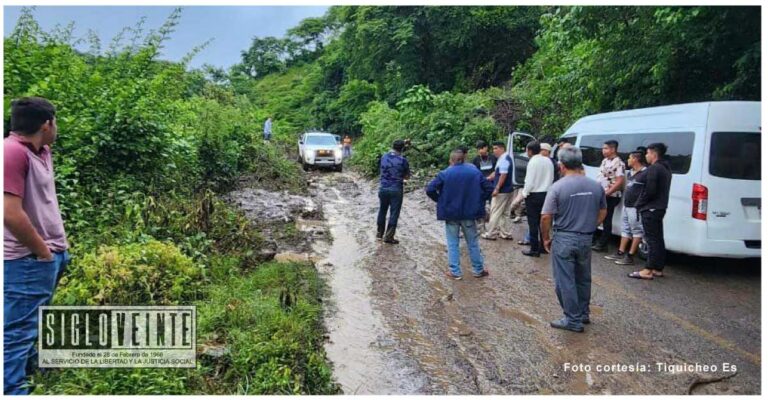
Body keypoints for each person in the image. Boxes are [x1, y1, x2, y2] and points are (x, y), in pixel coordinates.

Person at [4, 97, 71, 395]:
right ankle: (12, 388)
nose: (57, 128)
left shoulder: (41, 151)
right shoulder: (11, 153)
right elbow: (9, 213)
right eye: (55, 122)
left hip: (49, 255)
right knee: (16, 330)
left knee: (33, 317)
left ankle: (30, 366)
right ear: (47, 124)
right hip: (27, 259)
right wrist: (42, 252)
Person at [541, 147, 607, 332]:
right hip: (586, 238)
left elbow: (546, 216)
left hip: (564, 238)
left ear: (561, 165)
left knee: (565, 280)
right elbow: (603, 211)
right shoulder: (595, 186)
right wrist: (591, 225)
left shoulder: (557, 187)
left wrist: (545, 238)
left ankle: (572, 319)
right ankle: (583, 313)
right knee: (583, 277)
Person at [427, 150, 494, 280]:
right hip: (469, 213)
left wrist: (440, 200)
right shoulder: (474, 172)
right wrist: (479, 201)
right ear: (464, 159)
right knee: (473, 242)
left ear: (450, 161)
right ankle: (478, 270)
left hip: (450, 213)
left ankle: (455, 272)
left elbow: (430, 189)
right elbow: (489, 189)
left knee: (452, 243)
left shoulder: (445, 173)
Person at [628, 143, 672, 280]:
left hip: (651, 208)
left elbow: (650, 191)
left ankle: (648, 269)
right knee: (658, 239)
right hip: (660, 207)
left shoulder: (654, 169)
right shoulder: (666, 168)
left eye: (647, 153)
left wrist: (639, 204)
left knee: (651, 239)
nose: (646, 156)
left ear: (653, 153)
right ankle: (658, 268)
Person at [605, 150, 647, 265]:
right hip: (627, 205)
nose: (628, 160)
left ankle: (630, 255)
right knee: (625, 229)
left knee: (636, 230)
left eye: (629, 158)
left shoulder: (645, 174)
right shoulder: (630, 172)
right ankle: (620, 251)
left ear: (635, 159)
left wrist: (639, 204)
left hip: (635, 207)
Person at [521, 141, 554, 257]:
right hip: (547, 194)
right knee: (543, 221)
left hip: (534, 195)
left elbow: (529, 181)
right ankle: (544, 246)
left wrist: (524, 194)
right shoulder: (548, 160)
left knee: (533, 223)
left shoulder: (532, 162)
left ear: (529, 151)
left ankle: (534, 249)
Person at [592, 140, 626, 252]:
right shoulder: (605, 161)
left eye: (606, 148)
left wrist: (608, 192)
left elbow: (620, 180)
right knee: (596, 216)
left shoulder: (619, 163)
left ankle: (603, 243)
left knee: (606, 218)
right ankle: (593, 239)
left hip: (611, 195)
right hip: (601, 193)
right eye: (603, 148)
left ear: (613, 149)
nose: (603, 151)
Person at [377, 139, 411, 244]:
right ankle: (389, 236)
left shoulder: (383, 157)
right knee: (394, 213)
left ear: (392, 146)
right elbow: (407, 176)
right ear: (402, 149)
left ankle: (379, 233)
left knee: (382, 210)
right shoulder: (403, 160)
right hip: (396, 189)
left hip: (383, 188)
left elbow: (381, 169)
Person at [481, 141, 515, 240]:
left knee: (495, 211)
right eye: (493, 148)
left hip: (502, 191)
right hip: (509, 190)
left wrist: (496, 188)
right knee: (505, 213)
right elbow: (497, 173)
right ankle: (505, 233)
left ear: (502, 149)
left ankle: (491, 233)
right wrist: (488, 178)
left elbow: (503, 175)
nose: (494, 151)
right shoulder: (505, 158)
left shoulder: (504, 159)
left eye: (496, 148)